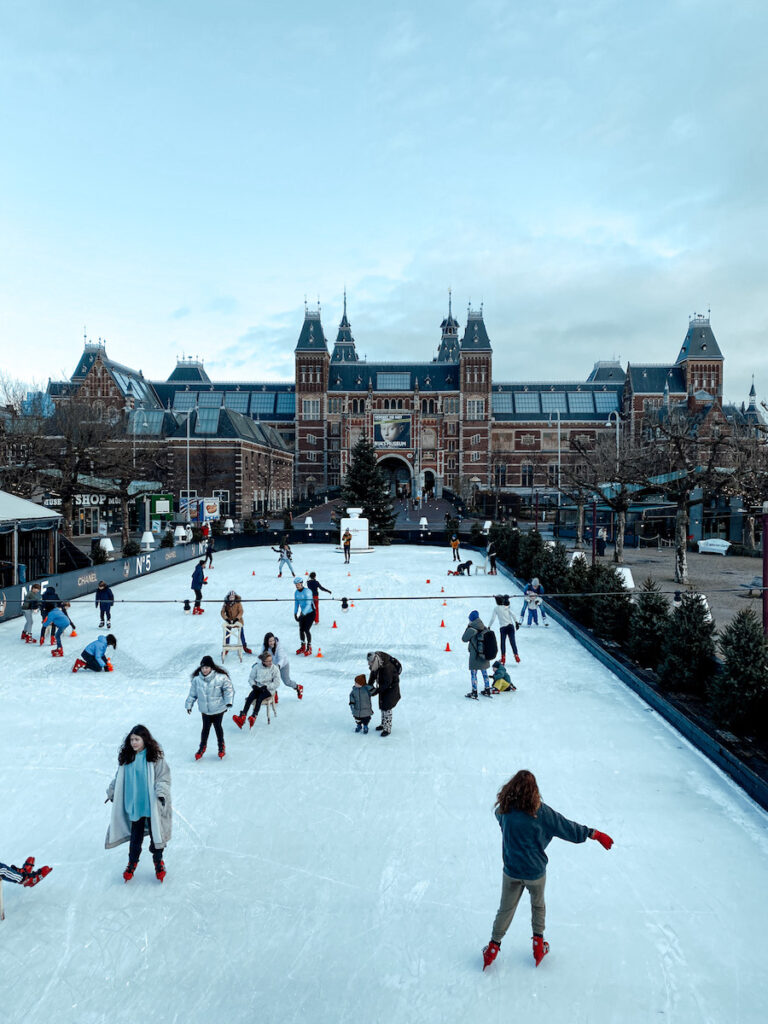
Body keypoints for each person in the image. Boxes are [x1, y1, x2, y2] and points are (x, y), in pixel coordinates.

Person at [481, 770, 613, 971]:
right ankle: (538, 945)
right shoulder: (541, 813)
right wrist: (593, 834)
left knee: (505, 909)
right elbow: (568, 828)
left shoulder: (504, 811)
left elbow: (499, 815)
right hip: (535, 872)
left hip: (512, 871)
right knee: (538, 906)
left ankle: (492, 947)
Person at [105, 725, 172, 883]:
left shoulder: (154, 757)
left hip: (151, 805)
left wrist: (161, 792)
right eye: (132, 740)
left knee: (157, 836)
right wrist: (112, 791)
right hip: (135, 806)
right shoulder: (127, 758)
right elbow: (119, 778)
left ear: (144, 739)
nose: (134, 742)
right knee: (135, 839)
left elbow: (163, 777)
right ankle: (132, 863)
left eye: (137, 739)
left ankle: (158, 862)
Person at [185, 655, 234, 760]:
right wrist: (189, 705)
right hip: (205, 710)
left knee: (217, 727)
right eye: (202, 668)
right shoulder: (197, 680)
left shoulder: (221, 677)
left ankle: (221, 747)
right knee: (205, 729)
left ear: (211, 667)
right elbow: (193, 694)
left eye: (206, 667)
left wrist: (228, 701)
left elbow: (228, 689)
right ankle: (202, 747)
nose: (204, 670)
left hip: (218, 708)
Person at [232, 651, 281, 728]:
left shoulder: (274, 669)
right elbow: (251, 678)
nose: (270, 663)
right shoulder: (257, 667)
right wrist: (254, 686)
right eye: (268, 661)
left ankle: (254, 716)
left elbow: (277, 683)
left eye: (271, 661)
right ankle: (242, 716)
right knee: (250, 697)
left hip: (269, 690)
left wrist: (267, 686)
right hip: (258, 687)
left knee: (260, 698)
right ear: (263, 661)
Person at [367, 651, 402, 737]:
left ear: (375, 660)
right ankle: (383, 724)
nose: (369, 664)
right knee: (383, 706)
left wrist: (375, 691)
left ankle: (387, 728)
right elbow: (373, 674)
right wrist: (369, 685)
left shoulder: (387, 668)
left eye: (370, 662)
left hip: (391, 689)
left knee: (387, 708)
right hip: (383, 688)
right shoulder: (377, 663)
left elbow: (387, 683)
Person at [260, 631, 302, 699]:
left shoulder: (278, 646)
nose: (272, 642)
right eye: (270, 641)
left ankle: (297, 687)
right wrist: (257, 664)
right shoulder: (264, 646)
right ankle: (274, 695)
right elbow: (261, 657)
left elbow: (282, 659)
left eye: (273, 640)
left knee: (287, 682)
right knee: (269, 680)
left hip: (283, 665)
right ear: (266, 642)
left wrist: (278, 666)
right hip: (272, 665)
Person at [462, 610, 492, 698]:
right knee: (484, 673)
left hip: (475, 656)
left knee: (474, 674)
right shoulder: (484, 627)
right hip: (483, 655)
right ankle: (487, 689)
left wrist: (467, 628)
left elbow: (464, 639)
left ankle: (474, 692)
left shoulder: (472, 629)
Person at [488, 595, 520, 665]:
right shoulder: (506, 607)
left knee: (503, 643)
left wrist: (489, 626)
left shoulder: (496, 608)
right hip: (510, 626)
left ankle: (503, 658)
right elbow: (513, 615)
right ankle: (516, 655)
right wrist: (516, 622)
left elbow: (492, 618)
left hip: (503, 628)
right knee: (513, 642)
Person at [294, 577, 315, 656]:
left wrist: (302, 614)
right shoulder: (296, 593)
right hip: (303, 613)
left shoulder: (308, 591)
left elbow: (308, 604)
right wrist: (295, 613)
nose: (297, 586)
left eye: (298, 584)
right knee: (301, 630)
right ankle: (303, 646)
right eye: (295, 584)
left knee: (306, 629)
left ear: (302, 583)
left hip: (310, 613)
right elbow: (296, 603)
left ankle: (309, 647)